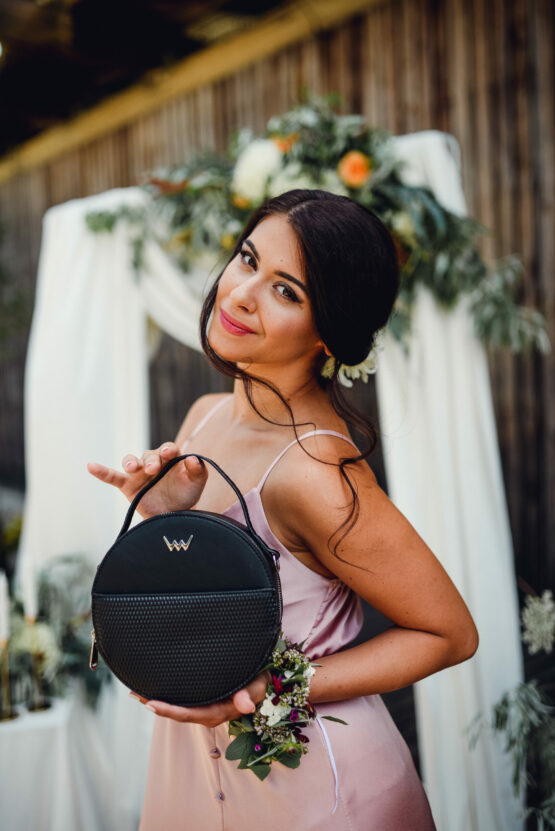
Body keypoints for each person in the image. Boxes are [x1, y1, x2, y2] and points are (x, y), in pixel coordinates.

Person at [88, 189, 478, 830]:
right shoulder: (205, 417)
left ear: (329, 332)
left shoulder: (314, 474)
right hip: (194, 772)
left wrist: (274, 685)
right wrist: (160, 514)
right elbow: (199, 598)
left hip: (316, 788)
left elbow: (450, 634)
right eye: (248, 259)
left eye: (286, 291)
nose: (241, 294)